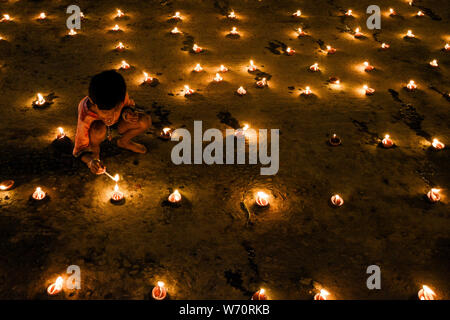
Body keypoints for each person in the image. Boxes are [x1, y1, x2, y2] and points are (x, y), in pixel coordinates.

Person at [73, 70, 151, 174]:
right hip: (98, 132)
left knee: (144, 121)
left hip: (117, 125)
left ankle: (124, 142)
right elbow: (79, 150)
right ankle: (96, 155)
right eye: (105, 112)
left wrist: (127, 113)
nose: (110, 115)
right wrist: (91, 161)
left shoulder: (119, 94)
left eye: (116, 109)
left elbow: (128, 105)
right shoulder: (85, 115)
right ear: (92, 102)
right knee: (98, 129)